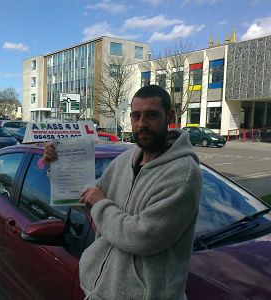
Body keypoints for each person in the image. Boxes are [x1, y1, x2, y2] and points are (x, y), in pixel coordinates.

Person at [43, 85, 203, 299]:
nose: (142, 124)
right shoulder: (124, 161)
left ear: (170, 117)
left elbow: (142, 238)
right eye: (136, 116)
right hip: (97, 290)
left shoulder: (183, 174)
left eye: (152, 115)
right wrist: (57, 168)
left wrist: (101, 204)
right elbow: (87, 199)